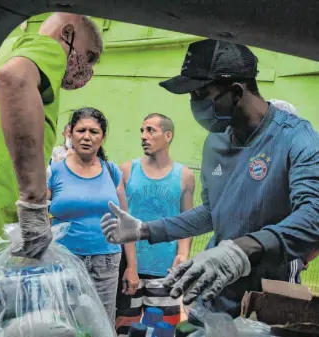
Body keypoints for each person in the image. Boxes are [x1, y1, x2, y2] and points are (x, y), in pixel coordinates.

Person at [100, 39, 319, 318]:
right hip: (214, 289)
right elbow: (212, 212)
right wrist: (146, 229)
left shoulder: (297, 138)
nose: (194, 105)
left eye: (200, 95)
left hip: (267, 295)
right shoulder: (215, 142)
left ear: (237, 92)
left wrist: (241, 250)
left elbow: (313, 215)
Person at [0, 13, 102, 266]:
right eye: (90, 56)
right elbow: (14, 78)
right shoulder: (48, 47)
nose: (88, 70)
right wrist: (33, 202)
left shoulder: (4, 48)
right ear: (67, 33)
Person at [47, 107, 137, 323]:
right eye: (81, 130)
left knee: (101, 325)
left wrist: (132, 267)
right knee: (62, 324)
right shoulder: (54, 171)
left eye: (94, 132)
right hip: (63, 262)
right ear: (70, 134)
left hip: (106, 262)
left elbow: (126, 222)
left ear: (103, 137)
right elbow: (39, 216)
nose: (87, 137)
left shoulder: (111, 171)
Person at [116, 113, 195, 336]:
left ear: (168, 135)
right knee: (125, 329)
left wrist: (183, 254)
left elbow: (187, 221)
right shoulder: (127, 170)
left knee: (164, 330)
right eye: (142, 131)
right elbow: (122, 219)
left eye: (151, 130)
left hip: (166, 270)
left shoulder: (185, 176)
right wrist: (130, 266)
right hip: (131, 268)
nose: (143, 136)